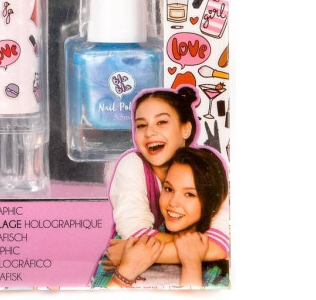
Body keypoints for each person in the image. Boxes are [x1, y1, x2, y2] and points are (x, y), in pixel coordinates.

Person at [98, 86, 229, 281]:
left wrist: (129, 251)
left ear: (186, 129)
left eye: (161, 122)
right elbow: (135, 235)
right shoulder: (132, 166)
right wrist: (198, 248)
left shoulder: (206, 168)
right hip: (127, 274)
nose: (149, 132)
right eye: (141, 125)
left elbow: (218, 245)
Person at [109, 146, 229, 288]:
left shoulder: (223, 268)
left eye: (189, 194)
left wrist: (191, 262)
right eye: (169, 189)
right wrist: (126, 272)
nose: (173, 202)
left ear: (211, 201)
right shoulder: (132, 240)